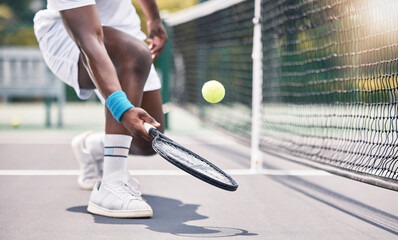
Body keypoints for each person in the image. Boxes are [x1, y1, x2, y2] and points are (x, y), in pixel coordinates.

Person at [33, 0, 167, 218]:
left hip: (127, 31)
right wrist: (123, 110)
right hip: (69, 38)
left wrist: (154, 18)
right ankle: (110, 185)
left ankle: (92, 146)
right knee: (134, 53)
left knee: (150, 142)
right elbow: (90, 41)